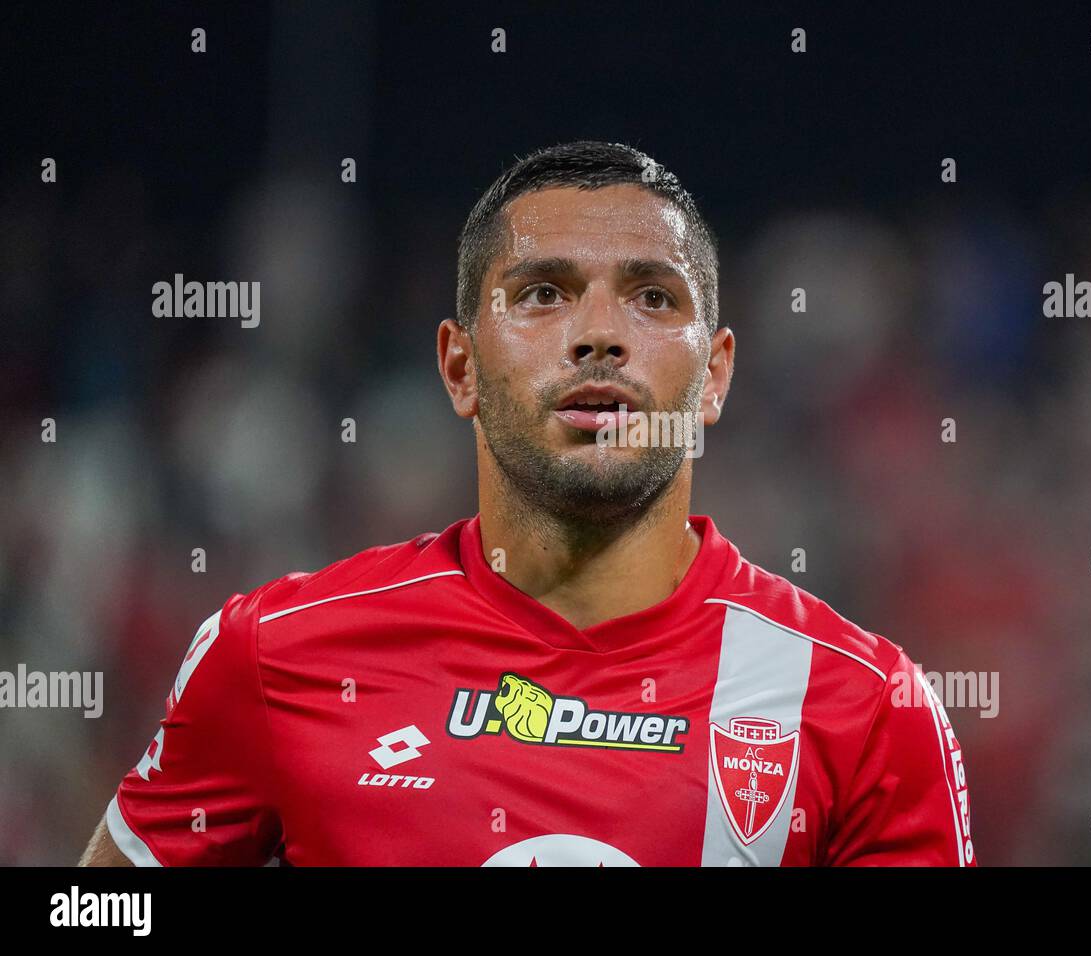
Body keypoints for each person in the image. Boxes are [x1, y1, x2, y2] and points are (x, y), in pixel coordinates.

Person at [80, 140, 976, 866]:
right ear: (459, 366)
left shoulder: (866, 710)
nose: (598, 335)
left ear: (715, 378)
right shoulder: (276, 653)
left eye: (652, 297)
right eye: (543, 294)